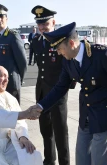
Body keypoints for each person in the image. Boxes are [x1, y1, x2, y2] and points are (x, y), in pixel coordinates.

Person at [28, 22, 107, 165]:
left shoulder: (103, 55)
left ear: (71, 43)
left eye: (59, 48)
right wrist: (40, 106)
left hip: (105, 117)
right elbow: (60, 87)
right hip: (86, 117)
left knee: (100, 161)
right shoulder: (68, 61)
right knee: (82, 160)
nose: (58, 52)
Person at [30, 6, 72, 165]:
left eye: (45, 24)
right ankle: (49, 161)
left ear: (53, 22)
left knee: (61, 132)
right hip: (41, 91)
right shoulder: (36, 40)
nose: (42, 27)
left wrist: (67, 86)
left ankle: (64, 162)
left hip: (57, 93)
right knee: (46, 130)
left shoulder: (59, 40)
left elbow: (69, 66)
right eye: (39, 24)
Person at [0, 4, 27, 104]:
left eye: (1, 16)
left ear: (6, 18)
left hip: (11, 82)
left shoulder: (13, 36)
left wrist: (18, 79)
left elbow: (22, 62)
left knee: (13, 113)